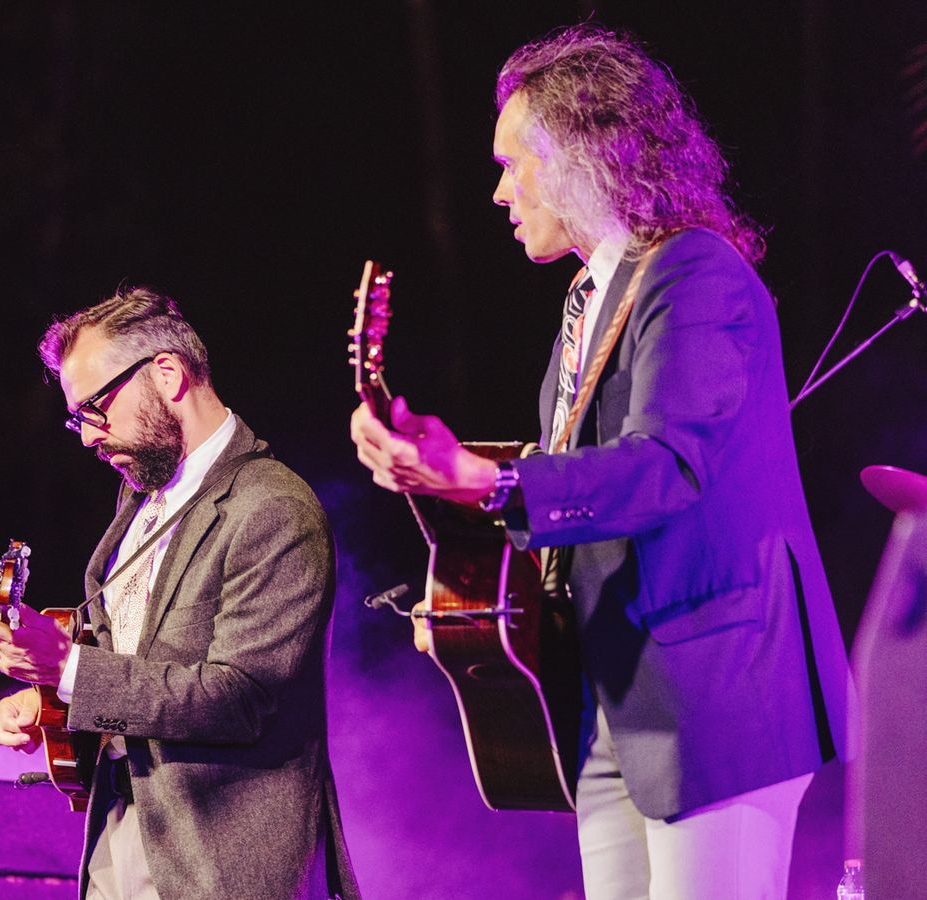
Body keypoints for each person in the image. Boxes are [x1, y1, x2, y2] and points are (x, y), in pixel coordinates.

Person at [349, 24, 851, 900]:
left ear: (584, 151)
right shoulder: (593, 298)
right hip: (618, 707)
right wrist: (474, 582)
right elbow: (583, 507)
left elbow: (664, 467)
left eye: (515, 163)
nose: (501, 192)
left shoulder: (694, 274)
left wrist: (492, 481)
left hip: (716, 702)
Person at [0, 289, 358, 900]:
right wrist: (50, 702)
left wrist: (70, 667)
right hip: (122, 833)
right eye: (78, 418)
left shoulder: (271, 506)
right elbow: (134, 665)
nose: (87, 437)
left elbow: (238, 697)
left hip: (222, 859)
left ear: (168, 373)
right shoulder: (139, 503)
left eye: (96, 409)